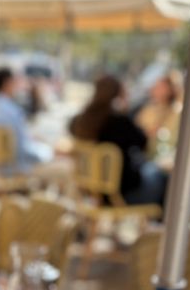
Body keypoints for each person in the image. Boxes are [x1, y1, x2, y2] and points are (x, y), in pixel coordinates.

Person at [68, 74, 167, 207]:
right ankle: (161, 224)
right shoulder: (119, 121)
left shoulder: (82, 120)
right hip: (121, 193)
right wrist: (125, 107)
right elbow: (143, 142)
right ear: (118, 94)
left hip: (92, 192)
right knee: (163, 177)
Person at [0, 67, 53, 175]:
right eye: (15, 82)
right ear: (8, 83)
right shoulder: (13, 111)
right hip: (15, 168)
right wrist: (48, 152)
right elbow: (22, 148)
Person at [134, 72, 183, 155]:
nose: (156, 89)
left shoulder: (176, 111)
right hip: (144, 152)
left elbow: (169, 136)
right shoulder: (148, 108)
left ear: (171, 90)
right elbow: (137, 129)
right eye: (157, 86)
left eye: (162, 87)